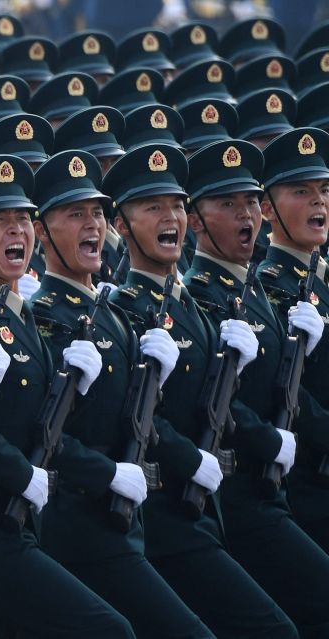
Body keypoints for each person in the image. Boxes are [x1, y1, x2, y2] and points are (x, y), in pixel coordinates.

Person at [0, 154, 134, 638]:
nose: (16, 231)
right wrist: (21, 473)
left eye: (23, 218)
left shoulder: (24, 319)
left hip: (27, 522)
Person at [104, 142, 298, 637]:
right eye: (153, 207)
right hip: (167, 511)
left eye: (174, 205)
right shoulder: (129, 309)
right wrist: (193, 458)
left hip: (210, 509)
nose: (170, 217)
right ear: (122, 225)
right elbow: (132, 414)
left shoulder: (187, 301)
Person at [29, 149, 212, 638]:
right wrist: (108, 473)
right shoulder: (47, 315)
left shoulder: (106, 309)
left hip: (128, 523)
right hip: (81, 521)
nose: (92, 225)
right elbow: (42, 433)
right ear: (42, 232)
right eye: (75, 214)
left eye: (96, 213)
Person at [183, 138, 329, 636]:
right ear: (196, 221)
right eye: (229, 204)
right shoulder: (208, 295)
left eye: (248, 201)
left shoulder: (253, 290)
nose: (245, 214)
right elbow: (217, 399)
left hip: (276, 487)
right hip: (245, 488)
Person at [258, 127, 329, 553]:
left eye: (323, 189)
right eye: (301, 191)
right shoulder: (271, 288)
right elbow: (286, 390)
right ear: (267, 208)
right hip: (309, 483)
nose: (319, 200)